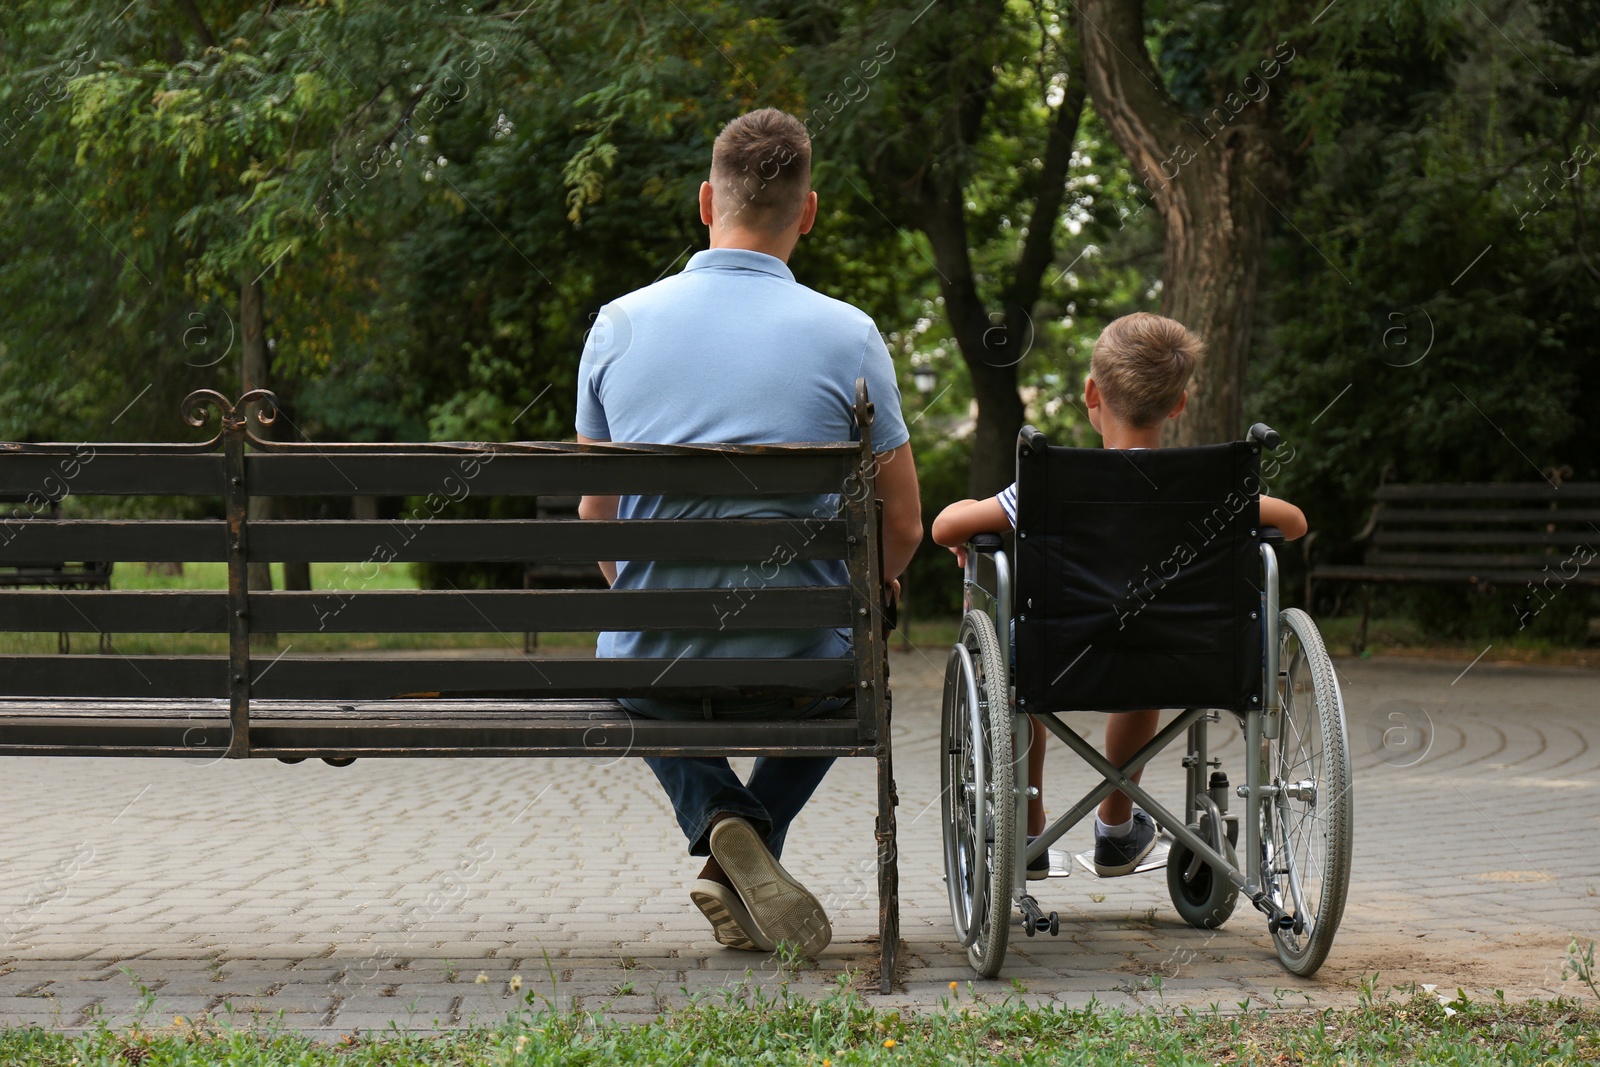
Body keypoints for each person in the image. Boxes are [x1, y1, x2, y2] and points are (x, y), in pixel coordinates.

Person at [574, 109, 922, 956]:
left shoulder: (617, 324)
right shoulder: (850, 333)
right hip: (805, 659)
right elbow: (905, 522)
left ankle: (726, 818)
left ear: (705, 202)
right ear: (807, 213)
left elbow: (595, 514)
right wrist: (867, 594)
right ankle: (747, 840)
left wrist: (654, 604)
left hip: (660, 656)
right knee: (856, 671)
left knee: (626, 669)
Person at [931, 312, 1306, 878]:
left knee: (1019, 666)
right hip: (1189, 654)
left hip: (1057, 657)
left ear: (1091, 392)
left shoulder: (1048, 484)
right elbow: (1294, 522)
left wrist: (966, 528)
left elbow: (944, 528)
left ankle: (1029, 831)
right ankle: (1115, 827)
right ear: (1177, 404)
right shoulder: (1211, 488)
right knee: (1145, 641)